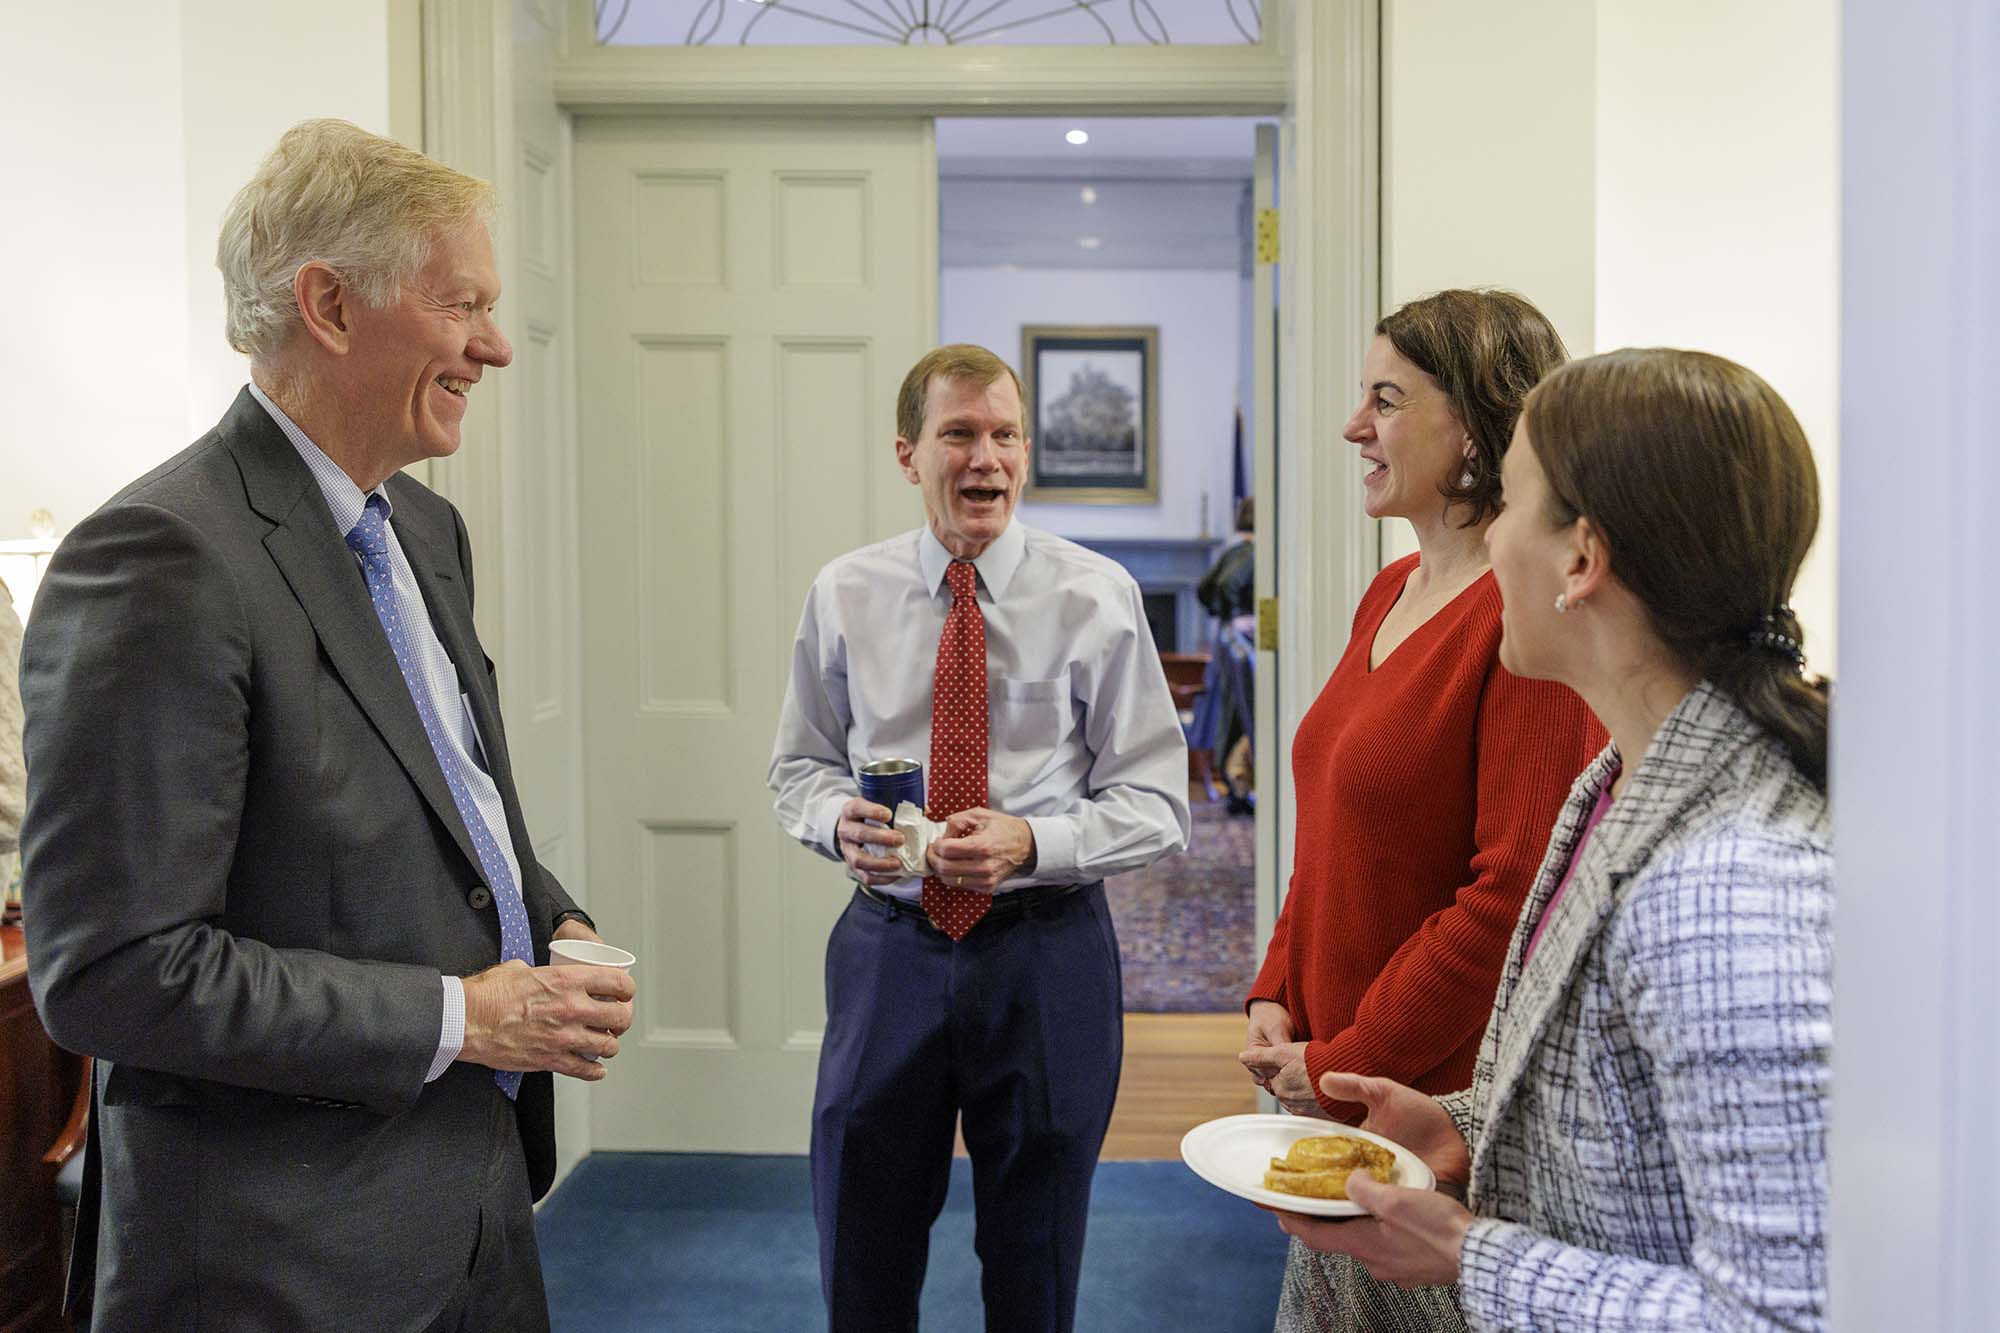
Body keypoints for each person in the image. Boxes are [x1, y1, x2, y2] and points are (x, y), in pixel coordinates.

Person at [19, 119, 634, 1331]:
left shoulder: (424, 531)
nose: (495, 346)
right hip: (275, 1266)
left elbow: (446, 812)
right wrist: (466, 1015)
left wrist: (548, 918)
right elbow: (113, 975)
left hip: (477, 1208)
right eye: (462, 304)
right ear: (330, 306)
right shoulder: (158, 558)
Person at [1276, 348, 1833, 1332]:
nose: (1488, 546)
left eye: (1510, 508)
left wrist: (1466, 1255)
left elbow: (1782, 1318)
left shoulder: (1726, 890)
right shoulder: (1614, 784)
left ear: (1579, 558)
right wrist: (1462, 1125)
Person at [769, 343, 1191, 1332]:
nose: (984, 458)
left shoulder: (1094, 595)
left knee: (1034, 1257)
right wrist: (839, 822)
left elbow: (1159, 802)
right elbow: (798, 768)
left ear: (1026, 455)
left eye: (1004, 435)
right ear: (909, 452)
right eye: (959, 433)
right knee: (860, 1245)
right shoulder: (844, 593)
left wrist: (1029, 841)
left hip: (1045, 956)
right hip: (887, 952)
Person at [1235, 290, 1605, 1328]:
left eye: (1385, 400)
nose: (1355, 426)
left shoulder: (1517, 614)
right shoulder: (1389, 587)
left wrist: (1343, 1057)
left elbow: (1507, 900)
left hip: (1429, 1118)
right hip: (1337, 1083)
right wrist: (1278, 988)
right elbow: (1331, 832)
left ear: (1477, 423)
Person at [1194, 497, 1257, 812]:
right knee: (1245, 713)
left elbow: (1203, 589)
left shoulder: (1231, 551)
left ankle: (1235, 785)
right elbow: (1229, 585)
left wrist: (1223, 616)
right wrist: (1238, 614)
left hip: (1225, 638)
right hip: (1242, 641)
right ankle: (1240, 785)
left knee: (1229, 710)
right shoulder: (1251, 553)